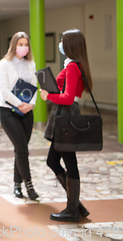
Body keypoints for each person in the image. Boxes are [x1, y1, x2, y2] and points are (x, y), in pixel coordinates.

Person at [40, 29, 91, 222]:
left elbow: (68, 98)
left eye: (62, 41)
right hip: (66, 114)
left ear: (69, 44)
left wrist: (48, 95)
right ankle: (75, 205)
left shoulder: (72, 67)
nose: (60, 43)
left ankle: (72, 208)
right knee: (58, 160)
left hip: (66, 113)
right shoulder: (76, 65)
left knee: (64, 160)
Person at [0, 32, 39, 200]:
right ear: (14, 45)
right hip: (9, 110)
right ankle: (29, 186)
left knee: (20, 149)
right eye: (20, 44)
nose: (24, 47)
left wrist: (31, 104)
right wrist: (19, 104)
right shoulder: (5, 64)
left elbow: (34, 85)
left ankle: (17, 185)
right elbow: (4, 90)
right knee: (23, 148)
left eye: (26, 44)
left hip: (27, 111)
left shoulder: (31, 63)